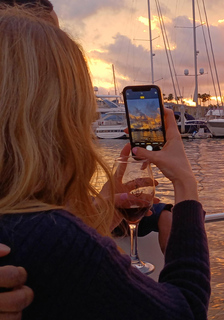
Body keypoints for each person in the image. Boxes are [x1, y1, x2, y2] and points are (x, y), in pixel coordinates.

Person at [0, 5, 209, 320]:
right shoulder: (60, 240)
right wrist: (185, 184)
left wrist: (94, 209)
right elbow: (186, 310)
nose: (94, 118)